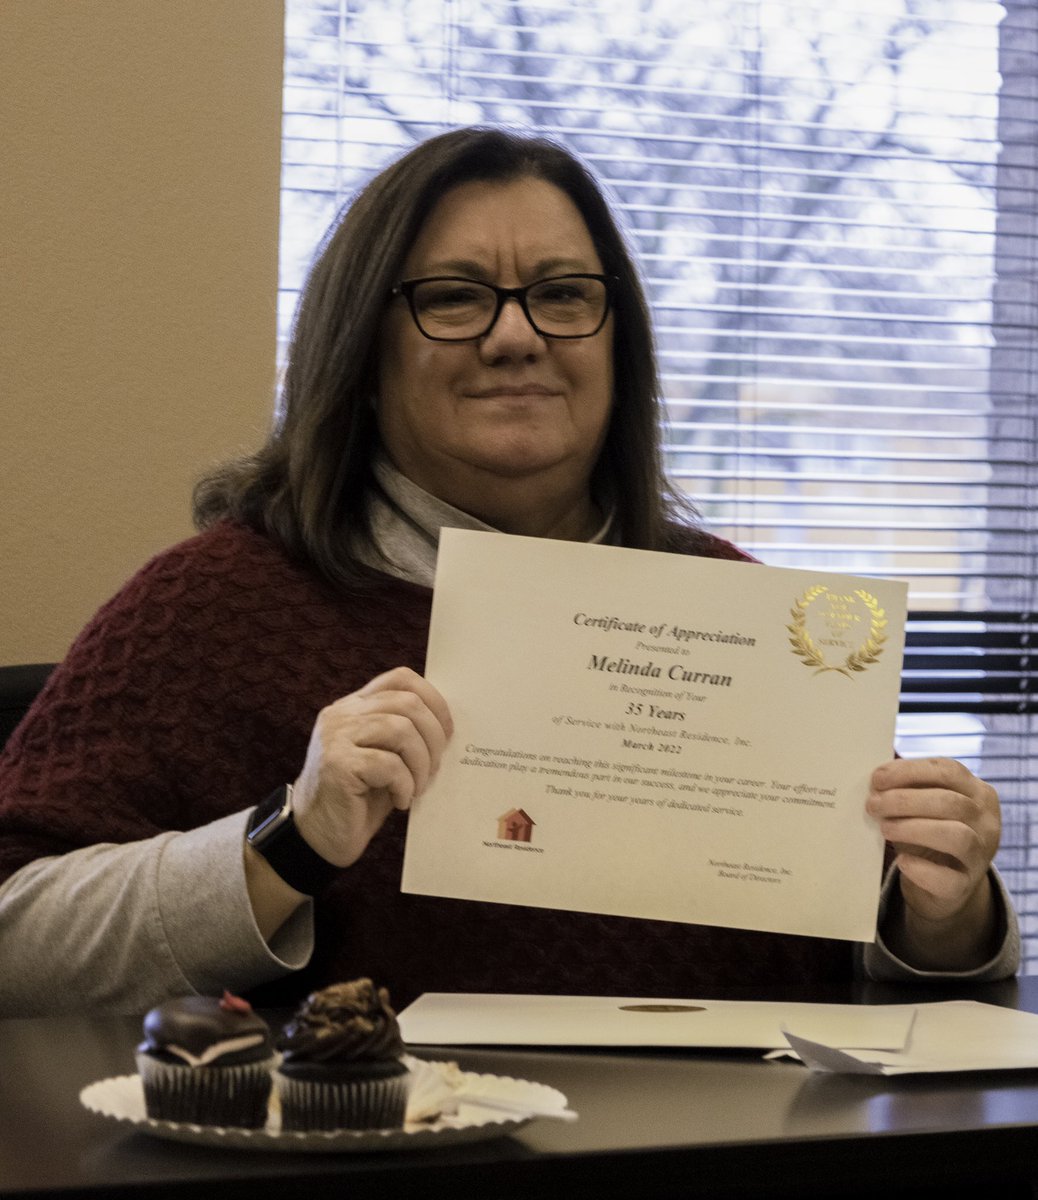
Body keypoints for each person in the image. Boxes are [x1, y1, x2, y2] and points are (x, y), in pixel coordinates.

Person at [0, 128, 1016, 1016]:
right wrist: (291, 840)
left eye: (565, 295)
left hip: (737, 1157)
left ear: (619, 345)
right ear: (363, 353)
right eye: (453, 298)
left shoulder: (749, 619)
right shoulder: (217, 606)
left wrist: (947, 915)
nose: (517, 335)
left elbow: (888, 998)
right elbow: (16, 939)